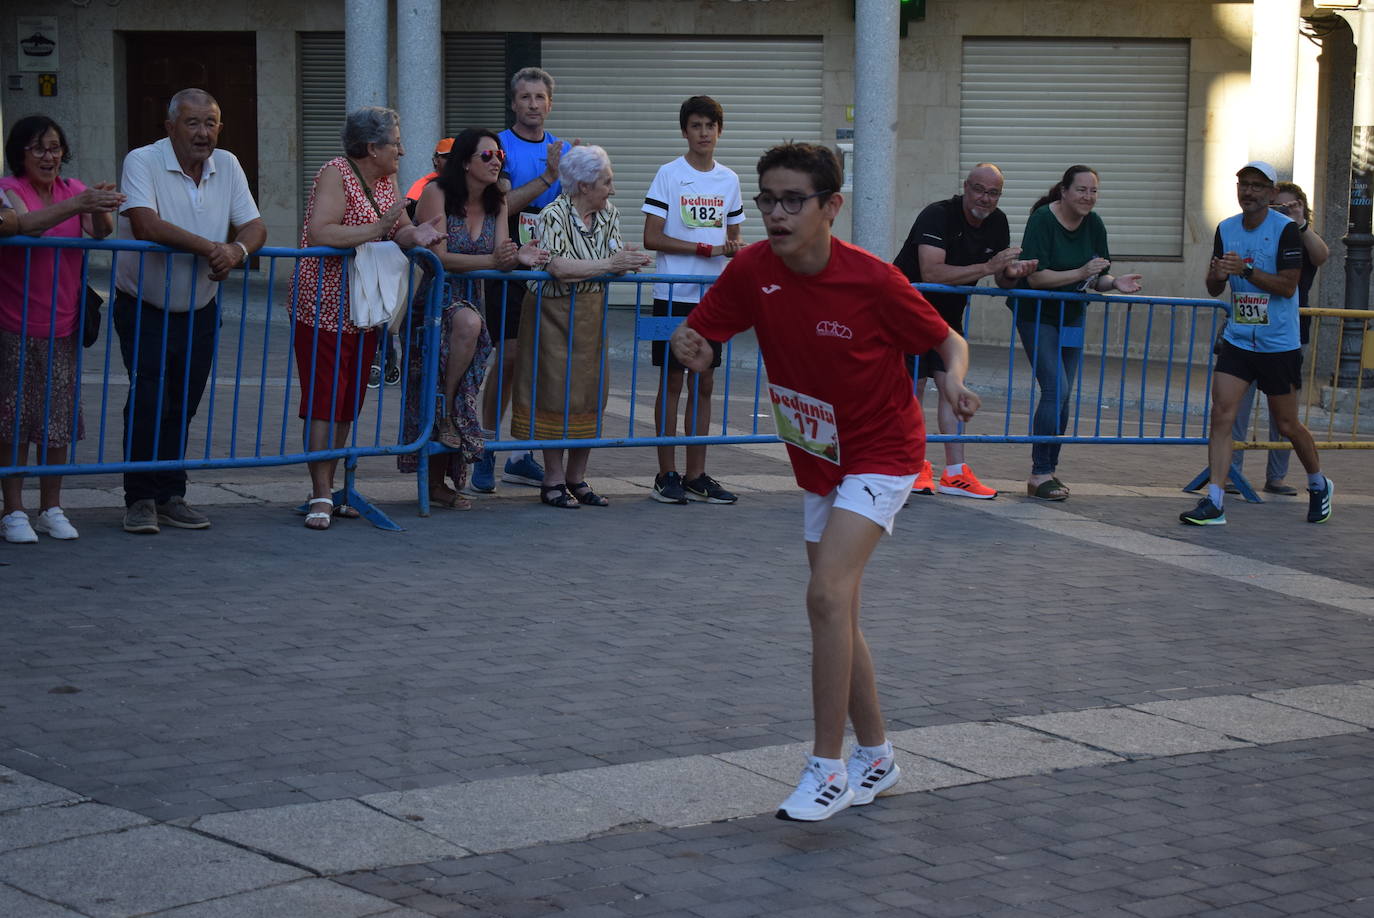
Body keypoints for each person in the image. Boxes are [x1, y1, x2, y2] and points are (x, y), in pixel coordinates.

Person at [671, 143, 978, 822]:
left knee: (825, 594)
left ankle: (827, 768)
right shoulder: (753, 268)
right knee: (836, 610)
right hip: (817, 455)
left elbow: (945, 340)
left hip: (885, 451)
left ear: (830, 207)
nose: (776, 215)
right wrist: (692, 349)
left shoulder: (871, 280)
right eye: (767, 200)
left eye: (792, 201)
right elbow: (702, 335)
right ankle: (877, 756)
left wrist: (953, 380)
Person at [115, 88, 266, 535]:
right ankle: (139, 497)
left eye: (211, 123)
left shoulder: (230, 164)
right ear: (170, 127)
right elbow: (146, 223)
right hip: (145, 304)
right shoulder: (142, 161)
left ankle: (171, 493)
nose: (204, 133)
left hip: (200, 305)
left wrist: (237, 250)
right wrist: (214, 250)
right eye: (193, 123)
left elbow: (255, 224)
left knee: (185, 400)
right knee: (149, 398)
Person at [292, 106, 443, 530]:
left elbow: (399, 229)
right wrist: (379, 227)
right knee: (323, 401)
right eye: (396, 141)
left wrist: (419, 235)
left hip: (362, 309)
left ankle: (332, 485)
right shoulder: (335, 172)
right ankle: (320, 492)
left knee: (346, 401)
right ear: (372, 147)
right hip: (322, 306)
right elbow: (323, 232)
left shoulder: (386, 178)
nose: (403, 149)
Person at [399, 128, 546, 510]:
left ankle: (445, 481)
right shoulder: (437, 193)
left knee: (467, 384)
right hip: (435, 304)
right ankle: (444, 415)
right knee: (447, 363)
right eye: (486, 156)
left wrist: (519, 259)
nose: (496, 160)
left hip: (472, 303)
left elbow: (501, 258)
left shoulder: (497, 202)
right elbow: (439, 258)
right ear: (465, 162)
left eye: (498, 154)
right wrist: (491, 263)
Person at [1181, 161, 1333, 527]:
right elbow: (1214, 285)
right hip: (1238, 338)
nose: (1248, 192)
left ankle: (1318, 482)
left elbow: (1287, 286)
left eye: (1256, 186)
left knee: (1286, 424)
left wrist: (1245, 271)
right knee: (1221, 415)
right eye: (1243, 184)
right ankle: (1215, 500)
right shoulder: (1226, 228)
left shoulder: (1285, 231)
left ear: (1269, 193)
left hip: (1278, 341)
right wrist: (1217, 275)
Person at [0, 116, 124, 543]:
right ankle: (12, 510)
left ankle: (51, 506)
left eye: (54, 147)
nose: (49, 156)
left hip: (63, 324)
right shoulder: (9, 190)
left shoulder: (74, 189)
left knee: (58, 422)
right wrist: (80, 204)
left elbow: (99, 234)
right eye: (38, 148)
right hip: (15, 324)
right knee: (14, 421)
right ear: (20, 153)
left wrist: (104, 207)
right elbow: (25, 224)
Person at [510, 144, 651, 509]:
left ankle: (577, 478)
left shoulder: (609, 215)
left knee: (590, 393)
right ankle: (552, 479)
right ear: (585, 186)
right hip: (551, 312)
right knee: (554, 392)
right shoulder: (553, 214)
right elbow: (557, 267)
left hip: (591, 310)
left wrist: (629, 261)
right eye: (607, 182)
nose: (613, 190)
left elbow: (611, 260)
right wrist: (610, 263)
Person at [892, 163, 1036, 499]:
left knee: (951, 389)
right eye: (979, 189)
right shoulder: (938, 215)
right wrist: (988, 267)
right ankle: (911, 465)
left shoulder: (997, 222)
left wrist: (1013, 272)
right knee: (913, 389)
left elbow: (1000, 278)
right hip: (909, 310)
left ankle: (955, 473)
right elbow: (931, 272)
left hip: (948, 318)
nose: (985, 199)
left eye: (993, 193)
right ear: (966, 187)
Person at [471, 67, 573, 493]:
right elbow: (502, 205)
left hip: (552, 262)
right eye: (525, 97)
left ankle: (521, 455)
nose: (533, 104)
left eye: (540, 98)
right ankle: (485, 449)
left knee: (541, 363)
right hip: (510, 260)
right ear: (513, 103)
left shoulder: (563, 149)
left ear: (550, 103)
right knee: (510, 356)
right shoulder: (499, 148)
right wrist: (549, 178)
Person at [1014, 165, 1142, 501]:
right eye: (1082, 190)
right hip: (1037, 314)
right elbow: (1036, 278)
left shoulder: (1095, 224)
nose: (1088, 197)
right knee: (1055, 387)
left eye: (1094, 191)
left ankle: (1049, 471)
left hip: (1072, 315)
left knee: (1066, 393)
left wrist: (1115, 283)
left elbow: (1096, 277)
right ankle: (1039, 472)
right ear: (1065, 191)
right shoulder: (1043, 218)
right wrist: (1080, 271)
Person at [642, 95, 746, 506]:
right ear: (685, 131)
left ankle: (696, 474)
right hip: (670, 294)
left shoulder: (730, 179)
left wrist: (734, 250)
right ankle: (664, 473)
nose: (704, 133)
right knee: (671, 382)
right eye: (696, 126)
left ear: (720, 131)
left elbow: (734, 237)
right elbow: (652, 237)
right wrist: (703, 248)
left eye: (710, 126)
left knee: (705, 382)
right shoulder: (668, 174)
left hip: (712, 299)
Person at [1226, 180, 1329, 496]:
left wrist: (1299, 223)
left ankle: (1279, 476)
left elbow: (1322, 256)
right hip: (1245, 330)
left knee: (1284, 417)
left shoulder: (1295, 235)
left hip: (1285, 335)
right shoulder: (1247, 231)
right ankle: (1229, 474)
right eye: (1277, 207)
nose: (1280, 213)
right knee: (1233, 409)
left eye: (1289, 206)